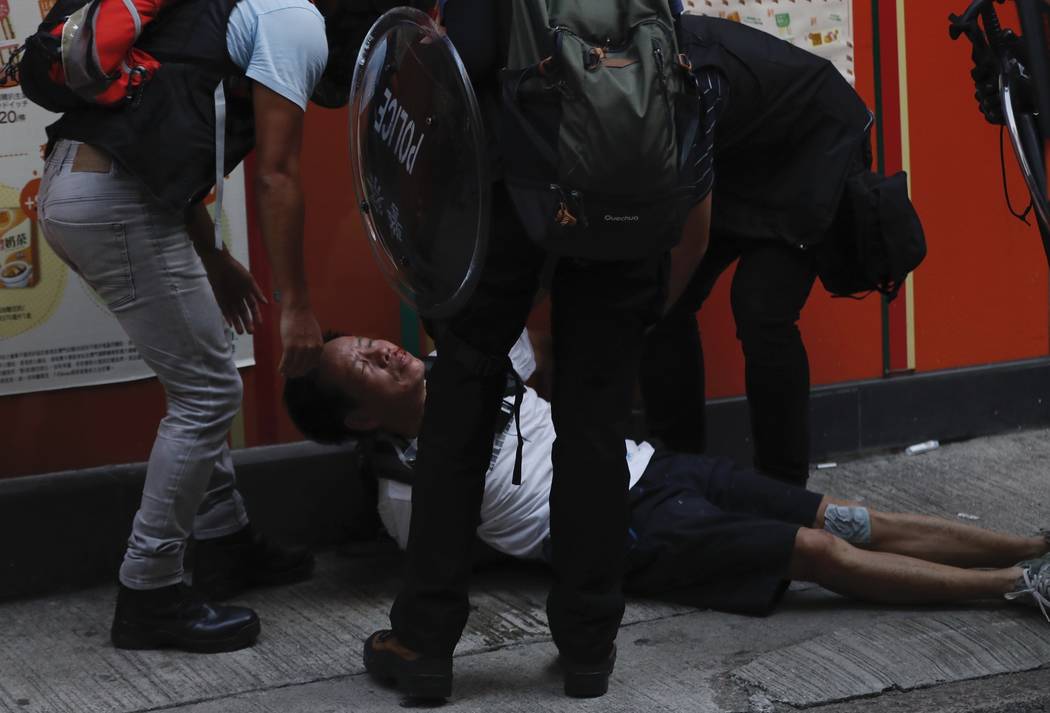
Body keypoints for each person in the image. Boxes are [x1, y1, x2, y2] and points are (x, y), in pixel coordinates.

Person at [340, 0, 713, 700]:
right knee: (596, 419)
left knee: (462, 402)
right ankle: (588, 644)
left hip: (518, 194)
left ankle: (424, 639)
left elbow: (469, 63)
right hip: (626, 195)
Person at [284, 331, 1050, 630]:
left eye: (372, 342)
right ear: (357, 419)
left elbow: (546, 338)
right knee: (817, 552)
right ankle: (1016, 585)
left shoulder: (471, 360)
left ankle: (1035, 544)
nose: (385, 350)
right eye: (366, 365)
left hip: (658, 465)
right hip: (626, 530)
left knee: (841, 513)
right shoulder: (403, 492)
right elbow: (456, 565)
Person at [35, 0, 362, 653]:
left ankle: (223, 538)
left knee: (194, 372)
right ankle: (150, 591)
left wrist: (211, 254)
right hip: (113, 199)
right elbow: (276, 172)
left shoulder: (234, 13)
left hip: (92, 186)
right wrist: (294, 303)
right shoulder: (294, 16)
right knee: (209, 391)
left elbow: (170, 128)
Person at [640, 13, 883, 486]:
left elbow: (694, 235)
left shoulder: (690, 78)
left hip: (817, 145)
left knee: (759, 310)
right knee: (664, 304)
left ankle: (783, 487)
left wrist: (655, 302)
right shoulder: (632, 71)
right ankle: (680, 470)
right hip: (748, 154)